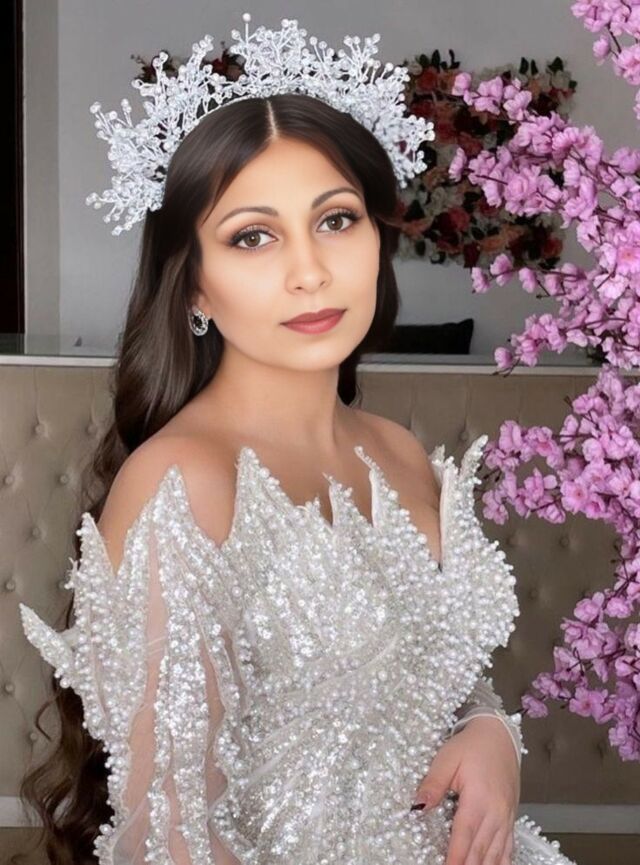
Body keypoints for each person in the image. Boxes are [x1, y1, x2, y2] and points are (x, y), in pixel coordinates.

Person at [18, 14, 578, 865]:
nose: (309, 270)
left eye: (336, 220)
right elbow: (171, 836)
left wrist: (491, 731)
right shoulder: (183, 484)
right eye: (253, 235)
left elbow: (431, 671)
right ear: (193, 285)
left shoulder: (398, 452)